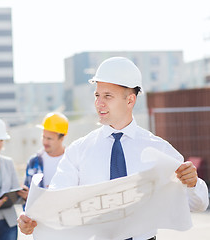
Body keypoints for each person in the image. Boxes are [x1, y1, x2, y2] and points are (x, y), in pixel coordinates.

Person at [18, 57, 209, 239]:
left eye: (107, 96)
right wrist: (32, 219)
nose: (99, 103)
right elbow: (57, 200)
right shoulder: (79, 151)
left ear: (130, 101)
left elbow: (198, 204)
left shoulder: (158, 149)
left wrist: (193, 184)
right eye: (97, 95)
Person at [24, 112, 69, 189]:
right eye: (43, 137)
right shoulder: (33, 161)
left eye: (49, 139)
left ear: (62, 138)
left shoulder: (71, 160)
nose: (45, 142)